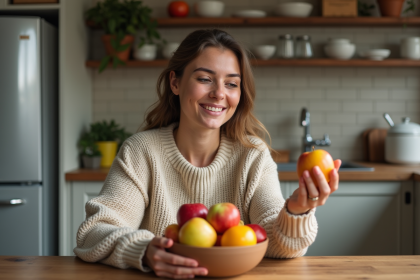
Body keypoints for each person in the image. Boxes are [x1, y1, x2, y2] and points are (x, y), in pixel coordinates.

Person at [74, 29, 341, 279]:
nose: (219, 94)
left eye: (232, 84)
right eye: (204, 79)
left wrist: (297, 210)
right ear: (175, 83)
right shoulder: (141, 151)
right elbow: (93, 233)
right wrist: (144, 250)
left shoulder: (253, 155)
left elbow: (275, 242)